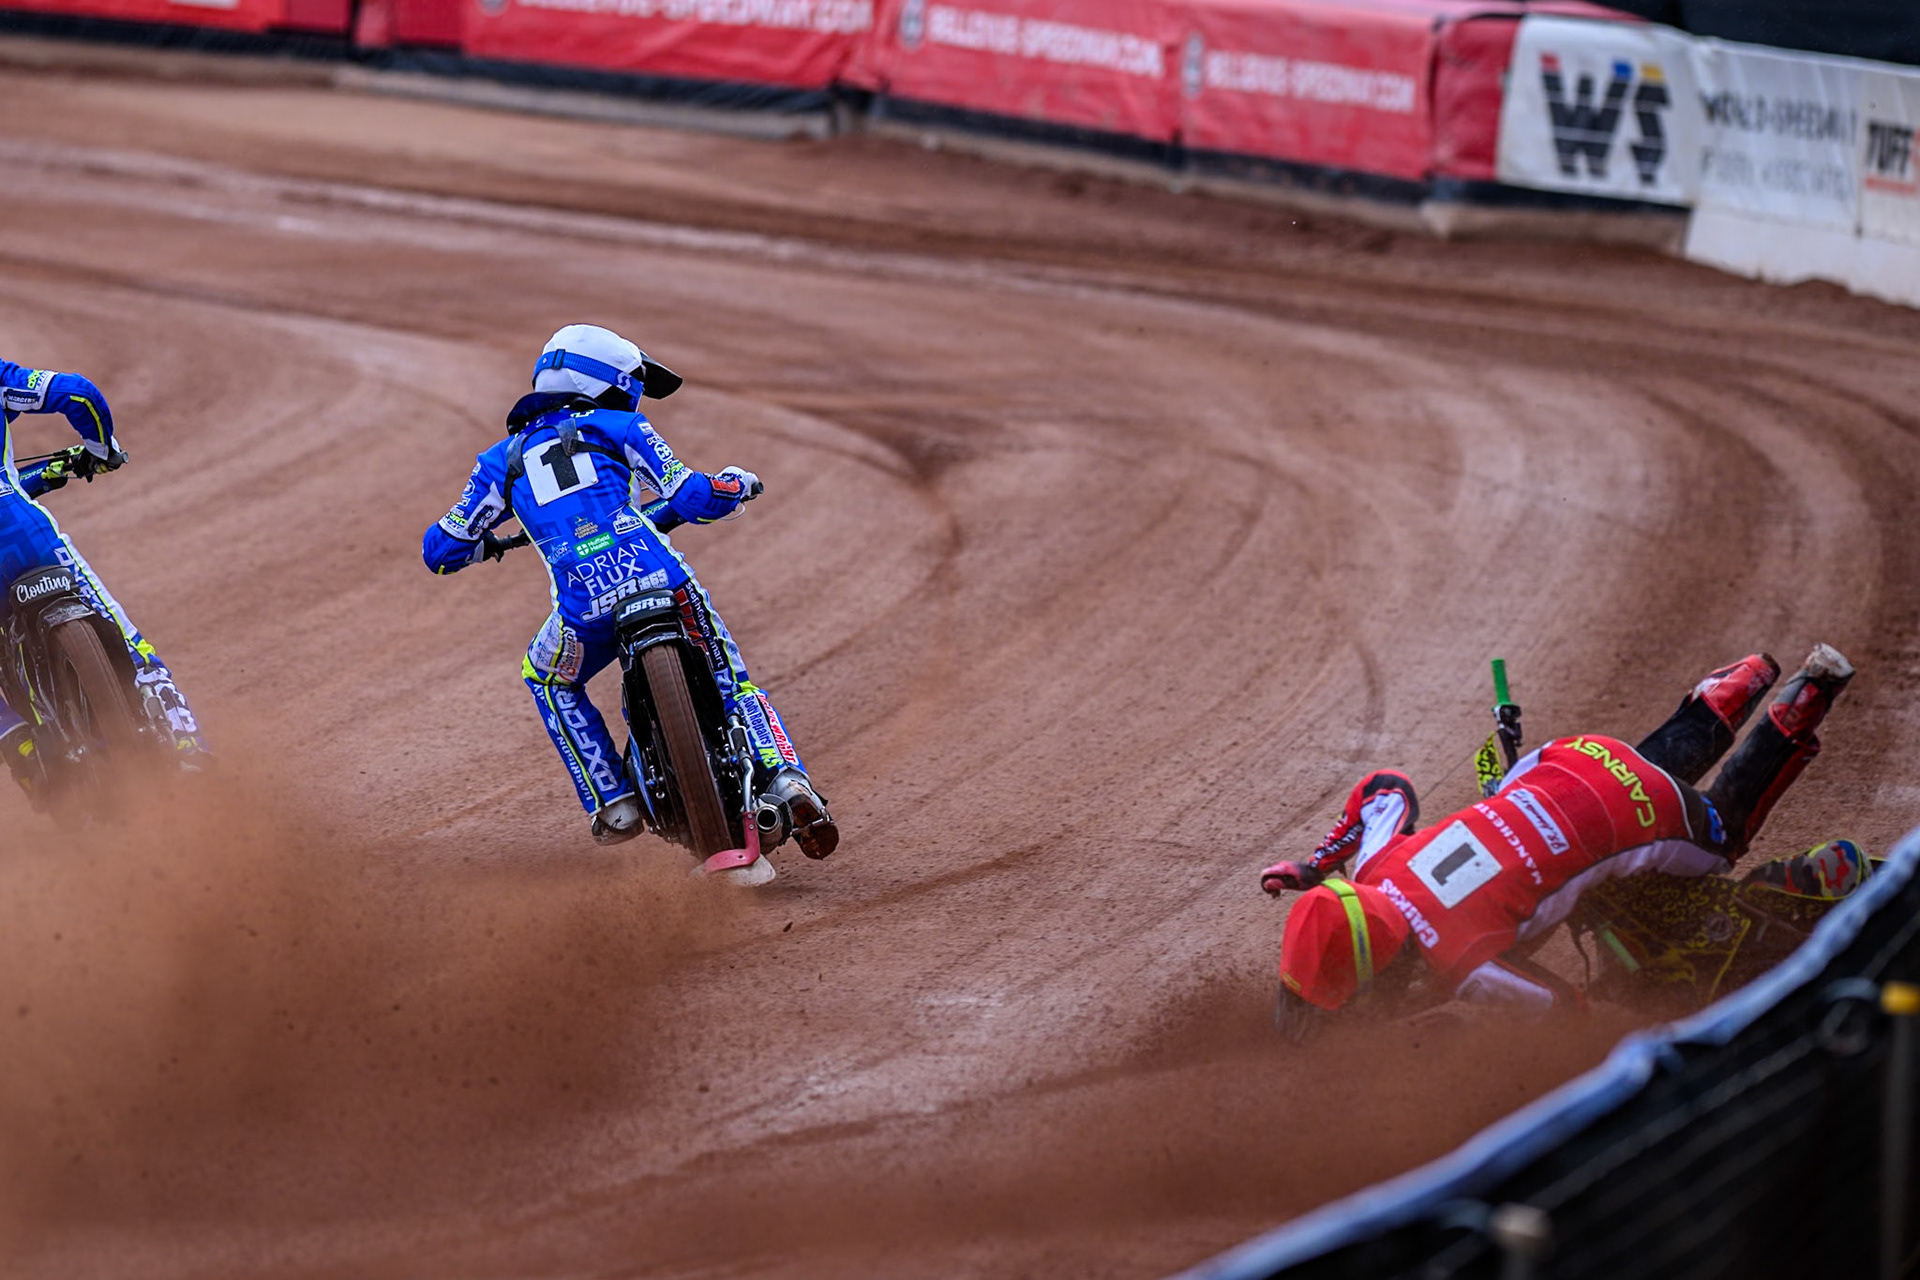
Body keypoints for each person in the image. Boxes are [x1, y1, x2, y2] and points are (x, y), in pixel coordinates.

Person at [421, 324, 837, 861]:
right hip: (663, 580)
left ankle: (612, 801)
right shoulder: (622, 426)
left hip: (583, 612)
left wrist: (488, 547)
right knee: (732, 683)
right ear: (603, 384)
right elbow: (692, 498)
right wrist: (735, 484)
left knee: (546, 677)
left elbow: (441, 551)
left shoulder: (499, 463)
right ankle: (785, 778)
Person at [1260, 645, 1860, 1014]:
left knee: (1722, 837)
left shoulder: (1462, 966)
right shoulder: (1373, 868)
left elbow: (1565, 1011)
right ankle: (1734, 687)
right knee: (1631, 776)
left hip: (1642, 811)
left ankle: (1804, 701)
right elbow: (1384, 787)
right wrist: (1317, 865)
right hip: (1570, 758)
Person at [1, 360, 205, 802]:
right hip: (27, 536)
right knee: (137, 653)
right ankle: (188, 750)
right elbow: (77, 394)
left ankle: (21, 746)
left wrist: (48, 473)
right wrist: (100, 449)